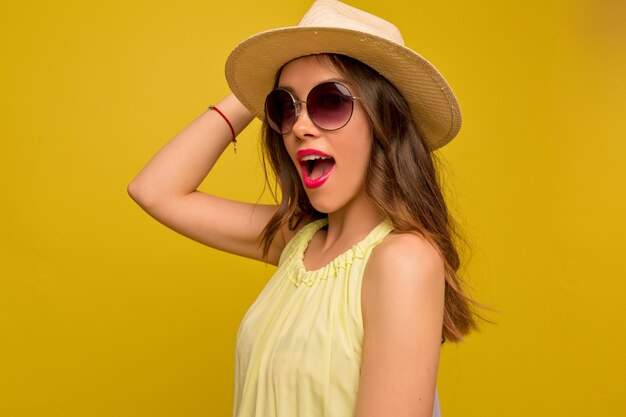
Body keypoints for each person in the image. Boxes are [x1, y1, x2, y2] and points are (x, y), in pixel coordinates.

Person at [128, 0, 478, 416]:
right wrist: (254, 93)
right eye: (284, 108)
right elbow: (154, 190)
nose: (298, 126)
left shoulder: (403, 261)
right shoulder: (298, 241)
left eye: (329, 102)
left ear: (384, 121)